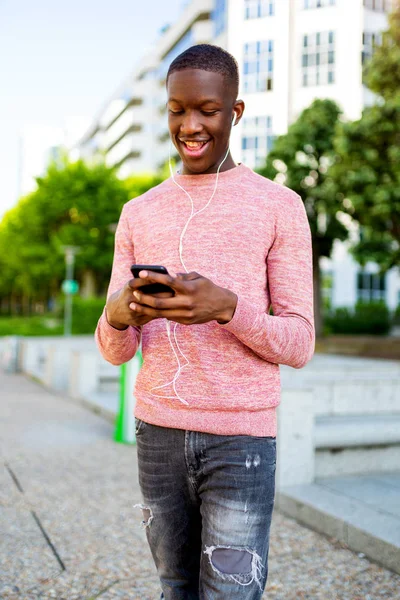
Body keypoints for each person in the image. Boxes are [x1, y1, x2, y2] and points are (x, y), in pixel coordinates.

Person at [95, 44, 314, 600]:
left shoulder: (279, 206)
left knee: (231, 595)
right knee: (175, 587)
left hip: (241, 440)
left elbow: (300, 342)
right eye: (176, 110)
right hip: (157, 436)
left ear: (235, 112)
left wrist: (227, 309)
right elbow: (116, 350)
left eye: (207, 111)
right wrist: (118, 314)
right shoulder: (138, 212)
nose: (190, 126)